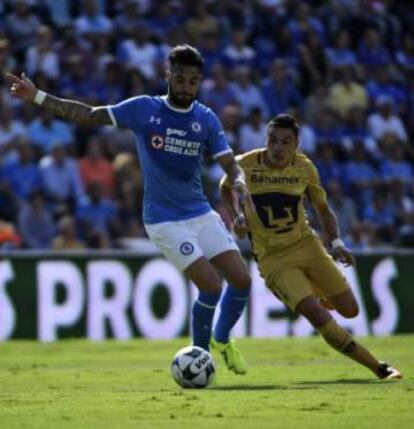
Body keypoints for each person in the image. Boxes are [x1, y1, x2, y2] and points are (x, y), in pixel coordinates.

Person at [6, 44, 252, 375]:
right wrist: (38, 97)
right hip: (165, 221)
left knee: (242, 280)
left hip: (200, 213)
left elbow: (229, 164)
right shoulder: (143, 109)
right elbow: (90, 115)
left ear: (200, 82)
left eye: (192, 81)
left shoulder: (205, 118)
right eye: (180, 79)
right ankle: (200, 357)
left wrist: (238, 180)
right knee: (210, 286)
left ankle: (222, 339)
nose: (185, 87)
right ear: (168, 76)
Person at [219, 113, 402, 380]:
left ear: (297, 144)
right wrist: (236, 216)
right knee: (316, 315)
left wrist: (337, 243)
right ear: (266, 140)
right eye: (272, 140)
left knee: (350, 309)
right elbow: (225, 188)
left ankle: (312, 293)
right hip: (273, 258)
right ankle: (378, 367)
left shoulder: (305, 168)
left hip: (307, 244)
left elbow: (323, 209)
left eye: (285, 142)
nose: (278, 147)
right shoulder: (244, 165)